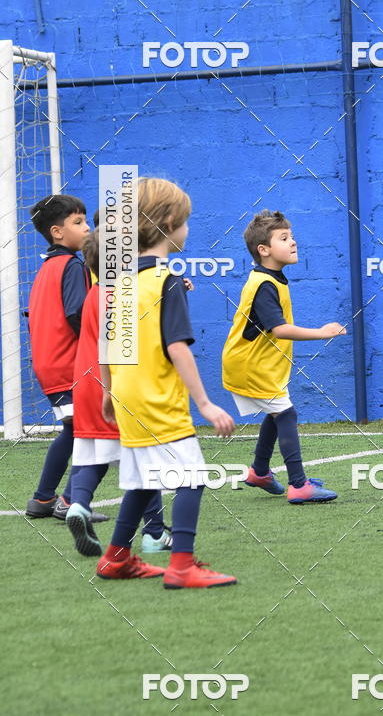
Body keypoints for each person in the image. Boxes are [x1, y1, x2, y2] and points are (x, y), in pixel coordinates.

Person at [96, 177, 238, 589]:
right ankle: (182, 566)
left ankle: (116, 558)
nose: (188, 229)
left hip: (127, 399)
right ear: (171, 221)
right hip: (160, 401)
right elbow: (178, 348)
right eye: (187, 221)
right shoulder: (167, 280)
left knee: (143, 481)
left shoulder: (116, 284)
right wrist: (207, 404)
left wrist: (107, 392)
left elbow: (108, 347)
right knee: (191, 476)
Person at [222, 209, 346, 503]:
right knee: (286, 413)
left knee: (277, 412)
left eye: (292, 237)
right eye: (284, 238)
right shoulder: (265, 284)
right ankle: (299, 485)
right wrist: (322, 332)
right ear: (263, 250)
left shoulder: (271, 279)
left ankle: (260, 471)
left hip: (256, 364)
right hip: (251, 365)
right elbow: (279, 329)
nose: (293, 243)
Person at [65, 227, 172, 557]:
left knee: (93, 458)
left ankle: (78, 505)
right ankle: (154, 532)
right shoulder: (127, 294)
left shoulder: (94, 293)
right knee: (145, 458)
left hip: (84, 383)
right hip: (116, 384)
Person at [24, 194, 107, 523]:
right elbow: (78, 313)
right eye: (79, 222)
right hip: (69, 365)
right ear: (57, 232)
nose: (88, 228)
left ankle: (44, 499)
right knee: (90, 430)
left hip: (49, 364)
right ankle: (69, 501)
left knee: (74, 430)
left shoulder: (48, 267)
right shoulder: (73, 265)